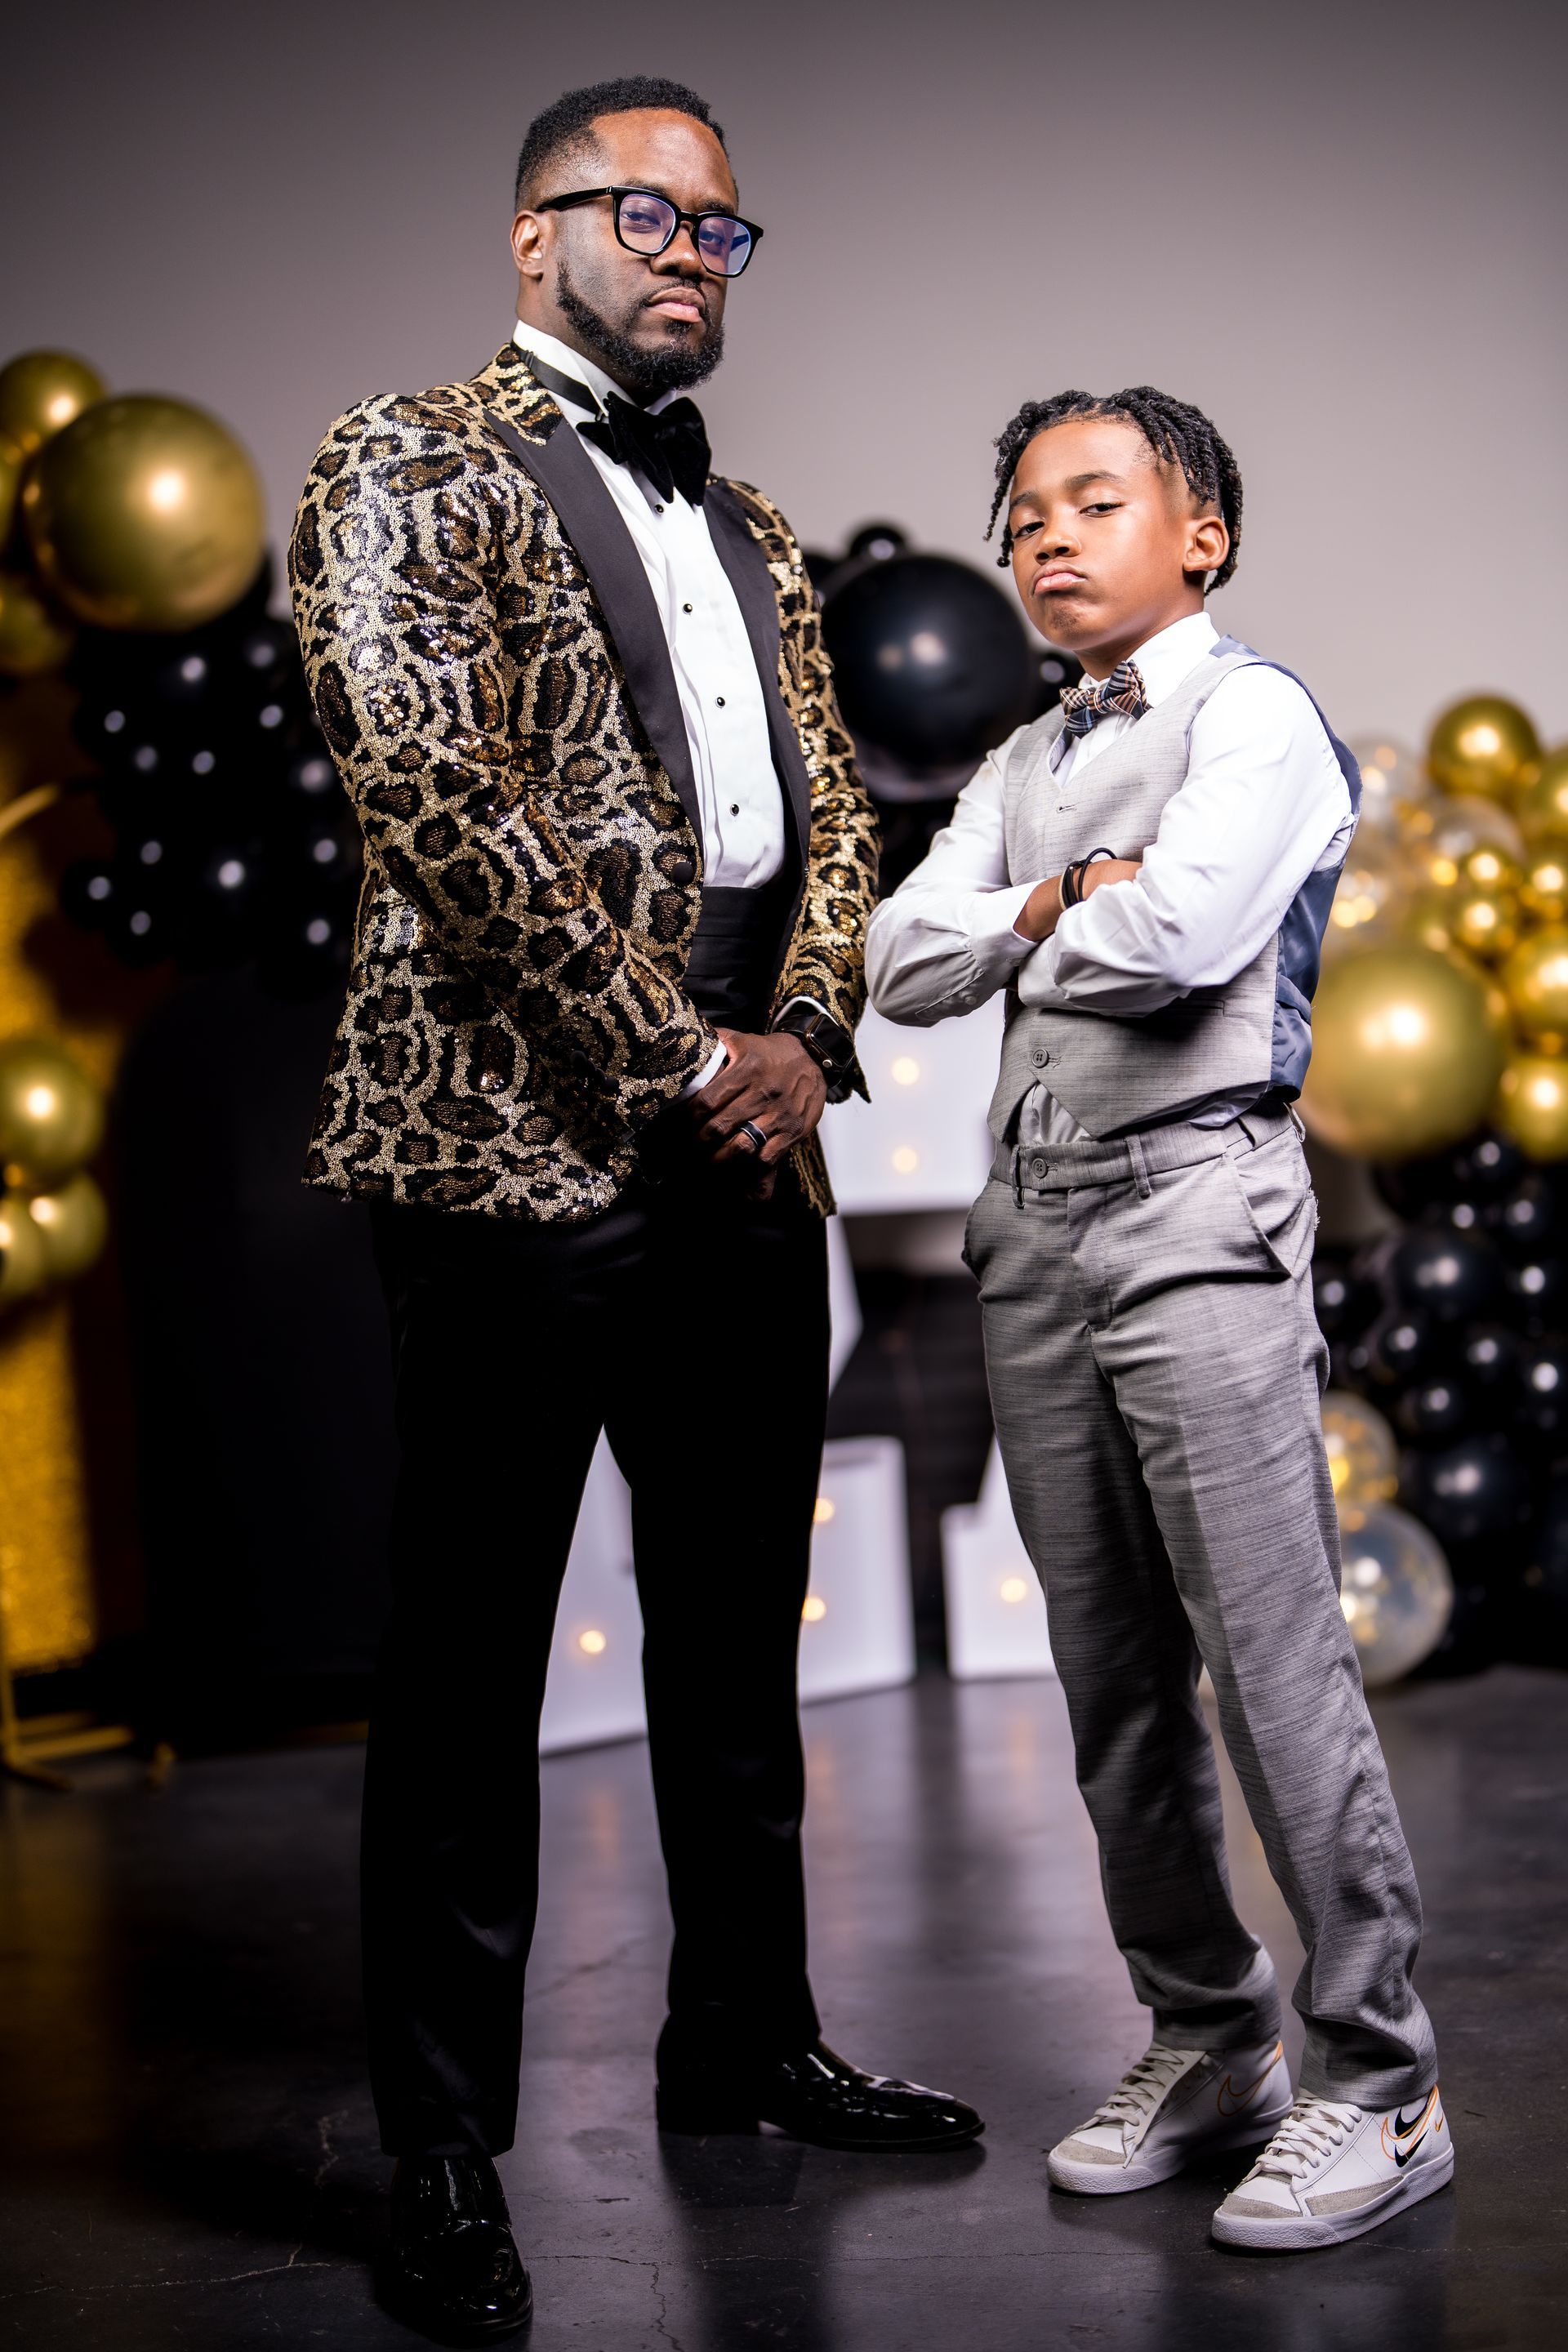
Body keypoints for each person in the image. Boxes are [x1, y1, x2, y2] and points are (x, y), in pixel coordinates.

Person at [291, 74, 982, 2345]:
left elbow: (836, 821)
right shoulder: (403, 458)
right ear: (532, 240)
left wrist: (795, 1038)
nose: (693, 251)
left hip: (747, 1135)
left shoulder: (762, 526)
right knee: (478, 1670)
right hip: (521, 1138)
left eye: (724, 227)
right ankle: (445, 2151)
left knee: (725, 1637)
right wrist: (674, 1051)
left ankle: (743, 2038)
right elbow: (431, 788)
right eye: (647, 213)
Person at [866, 387, 1450, 2254]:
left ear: (1198, 533)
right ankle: (1211, 2040)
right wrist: (1056, 892)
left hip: (1196, 1206)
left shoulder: (1253, 716)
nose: (1045, 535)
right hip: (1030, 1228)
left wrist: (1022, 926)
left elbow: (1186, 940)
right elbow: (899, 958)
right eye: (1023, 509)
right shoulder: (1026, 759)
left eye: (1093, 500)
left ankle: (1383, 2079)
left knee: (1272, 1665)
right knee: (1111, 1678)